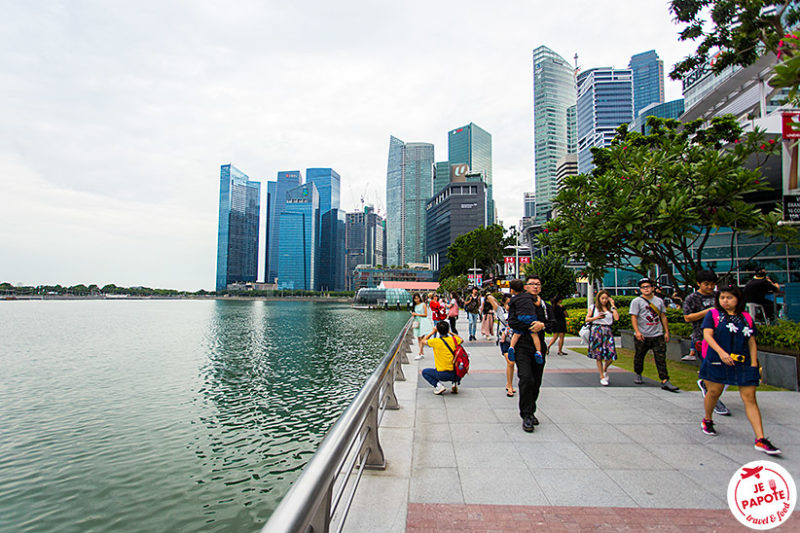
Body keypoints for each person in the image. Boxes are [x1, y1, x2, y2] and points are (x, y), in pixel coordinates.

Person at [698, 286, 780, 455]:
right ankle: (707, 419)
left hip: (743, 363)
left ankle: (760, 438)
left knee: (750, 398)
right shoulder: (713, 315)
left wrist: (753, 364)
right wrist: (721, 353)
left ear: (738, 300)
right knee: (714, 392)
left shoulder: (746, 318)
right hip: (717, 361)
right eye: (722, 298)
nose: (725, 301)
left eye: (729, 298)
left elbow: (751, 341)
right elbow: (707, 335)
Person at [509, 275, 553, 432]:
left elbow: (552, 324)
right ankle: (526, 415)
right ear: (525, 287)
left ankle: (531, 408)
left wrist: (542, 325)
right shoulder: (518, 302)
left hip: (538, 347)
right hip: (522, 346)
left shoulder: (545, 306)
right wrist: (529, 327)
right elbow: (512, 322)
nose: (535, 287)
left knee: (536, 381)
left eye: (538, 284)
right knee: (526, 378)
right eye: (532, 284)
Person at [682, 270, 730, 416]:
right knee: (712, 370)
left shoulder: (719, 296)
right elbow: (687, 317)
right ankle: (715, 400)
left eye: (712, 284)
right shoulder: (692, 298)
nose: (710, 287)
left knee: (726, 369)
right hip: (701, 339)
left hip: (721, 338)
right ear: (698, 284)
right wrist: (708, 312)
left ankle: (706, 385)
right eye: (706, 284)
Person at [630, 278, 679, 392]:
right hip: (643, 335)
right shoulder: (637, 301)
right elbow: (634, 317)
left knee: (660, 358)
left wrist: (666, 331)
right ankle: (638, 372)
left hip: (657, 334)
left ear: (653, 288)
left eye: (648, 287)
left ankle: (664, 380)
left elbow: (663, 316)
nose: (646, 289)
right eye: (643, 287)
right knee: (639, 356)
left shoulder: (659, 301)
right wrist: (637, 331)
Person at [585, 290, 619, 386]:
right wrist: (596, 318)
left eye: (606, 298)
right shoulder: (593, 307)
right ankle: (602, 376)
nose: (604, 300)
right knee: (598, 355)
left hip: (607, 331)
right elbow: (587, 319)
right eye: (602, 298)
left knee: (611, 354)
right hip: (597, 330)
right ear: (599, 299)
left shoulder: (610, 308)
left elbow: (616, 318)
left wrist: (613, 305)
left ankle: (604, 369)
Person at [506, 282, 544, 364]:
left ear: (512, 290)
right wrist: (538, 297)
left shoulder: (513, 298)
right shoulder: (529, 296)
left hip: (520, 317)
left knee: (516, 334)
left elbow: (507, 308)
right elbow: (537, 303)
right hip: (531, 317)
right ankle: (538, 352)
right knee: (534, 334)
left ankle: (511, 347)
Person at [421, 321, 463, 395]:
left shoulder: (435, 341)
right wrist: (450, 332)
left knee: (425, 372)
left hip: (441, 374)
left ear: (438, 331)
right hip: (456, 374)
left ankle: (439, 386)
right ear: (448, 329)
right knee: (459, 368)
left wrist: (432, 332)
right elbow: (461, 340)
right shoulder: (453, 340)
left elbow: (423, 341)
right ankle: (455, 383)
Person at [486, 293, 515, 396]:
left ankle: (509, 383)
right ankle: (510, 386)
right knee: (511, 362)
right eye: (508, 304)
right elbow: (490, 298)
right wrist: (491, 294)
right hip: (505, 341)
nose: (510, 306)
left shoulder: (517, 312)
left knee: (511, 364)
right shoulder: (500, 311)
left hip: (516, 341)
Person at [411, 293, 433, 360]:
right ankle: (421, 352)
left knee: (422, 337)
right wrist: (413, 315)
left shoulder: (423, 304)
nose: (416, 300)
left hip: (423, 322)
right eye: (415, 299)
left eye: (417, 298)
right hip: (417, 322)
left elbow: (425, 314)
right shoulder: (414, 306)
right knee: (418, 338)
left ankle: (420, 353)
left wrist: (416, 314)